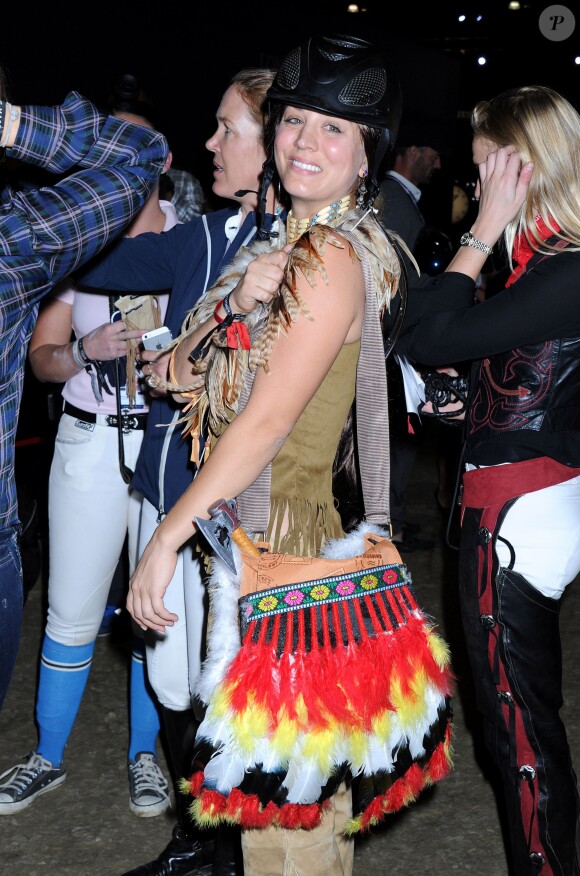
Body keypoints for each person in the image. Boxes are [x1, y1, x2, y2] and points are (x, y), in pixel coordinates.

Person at [128, 34, 453, 876]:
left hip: (291, 548)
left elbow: (267, 422)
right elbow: (174, 373)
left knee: (290, 820)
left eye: (335, 130)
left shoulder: (329, 257)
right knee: (281, 809)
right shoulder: (285, 249)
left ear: (367, 155)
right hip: (257, 543)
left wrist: (166, 535)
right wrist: (237, 298)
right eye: (297, 120)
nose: (307, 141)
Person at [70, 67, 282, 876]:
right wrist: (107, 175)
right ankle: (196, 841)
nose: (211, 143)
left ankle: (228, 853)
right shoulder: (205, 239)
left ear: (276, 147)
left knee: (221, 692)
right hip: (157, 496)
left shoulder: (294, 257)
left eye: (230, 128)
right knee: (167, 679)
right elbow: (95, 264)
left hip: (224, 517)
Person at [399, 85, 580, 874]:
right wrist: (472, 401)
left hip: (516, 518)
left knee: (522, 738)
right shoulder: (551, 268)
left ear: (525, 170)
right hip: (525, 504)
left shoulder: (565, 267)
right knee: (524, 728)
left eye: (484, 174)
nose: (474, 191)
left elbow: (427, 335)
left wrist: (479, 233)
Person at [0, 77, 177, 818]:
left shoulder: (192, 239)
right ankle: (48, 754)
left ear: (156, 164)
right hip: (87, 442)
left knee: (154, 610)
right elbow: (39, 359)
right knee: (69, 609)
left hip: (165, 448)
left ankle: (147, 755)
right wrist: (85, 348)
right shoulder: (70, 239)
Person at [378, 119, 445, 552]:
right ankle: (388, 528)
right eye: (433, 153)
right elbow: (404, 278)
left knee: (399, 438)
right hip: (395, 340)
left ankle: (392, 523)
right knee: (394, 439)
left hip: (397, 339)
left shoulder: (401, 197)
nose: (439, 163)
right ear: (412, 151)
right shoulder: (394, 199)